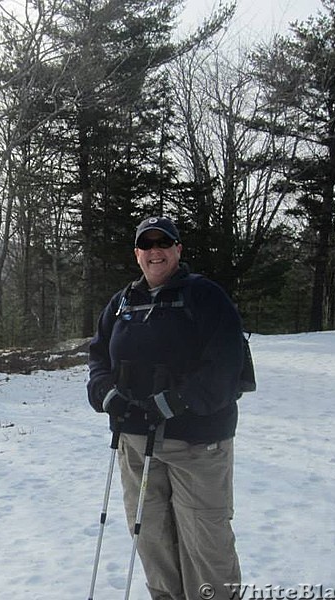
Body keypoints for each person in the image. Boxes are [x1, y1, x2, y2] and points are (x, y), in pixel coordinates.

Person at [87, 216, 243, 600]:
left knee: (205, 540)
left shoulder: (204, 296)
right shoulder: (122, 301)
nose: (155, 251)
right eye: (147, 244)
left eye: (164, 243)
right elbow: (97, 358)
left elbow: (227, 364)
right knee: (150, 535)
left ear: (178, 250)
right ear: (137, 253)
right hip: (136, 445)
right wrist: (107, 395)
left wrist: (177, 400)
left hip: (196, 445)